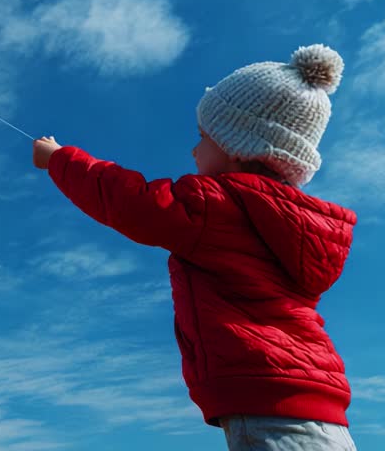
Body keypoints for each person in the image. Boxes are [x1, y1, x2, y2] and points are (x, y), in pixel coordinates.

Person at [33, 44, 358, 451]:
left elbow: (128, 201)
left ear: (239, 145)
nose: (193, 149)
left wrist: (60, 160)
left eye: (203, 136)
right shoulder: (293, 224)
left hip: (265, 396)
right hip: (319, 403)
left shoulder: (212, 205)